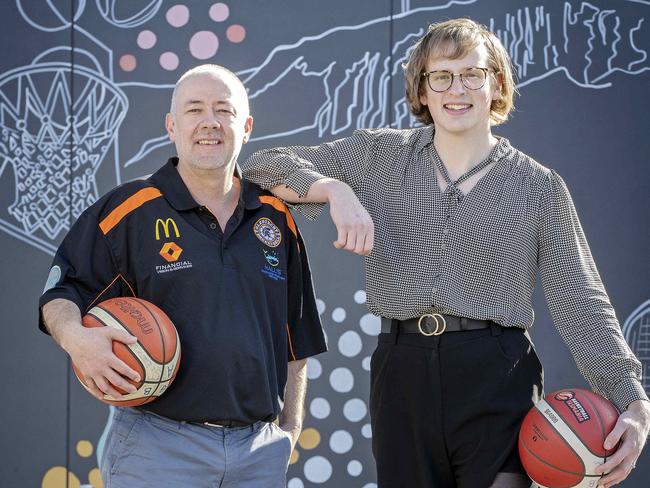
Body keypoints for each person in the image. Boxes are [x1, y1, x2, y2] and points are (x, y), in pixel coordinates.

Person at [242, 18, 650, 488]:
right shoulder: (380, 156)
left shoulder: (539, 188)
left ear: (496, 84)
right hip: (402, 371)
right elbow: (260, 167)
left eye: (472, 73)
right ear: (423, 91)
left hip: (497, 375)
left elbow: (580, 299)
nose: (457, 89)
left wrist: (630, 398)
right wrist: (332, 189)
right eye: (442, 76)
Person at [38, 64, 327, 487]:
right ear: (172, 126)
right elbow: (61, 290)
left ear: (245, 127)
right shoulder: (130, 210)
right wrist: (75, 338)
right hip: (158, 448)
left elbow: (295, 341)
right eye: (194, 110)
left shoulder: (275, 216)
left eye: (222, 110)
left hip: (259, 453)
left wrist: (288, 433)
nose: (209, 123)